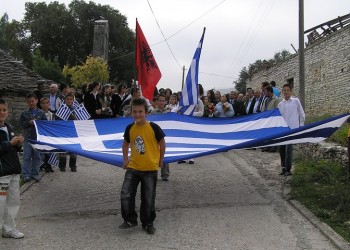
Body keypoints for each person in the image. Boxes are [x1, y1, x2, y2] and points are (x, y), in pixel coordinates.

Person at [119, 98, 166, 235]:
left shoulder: (154, 127)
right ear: (131, 112)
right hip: (133, 167)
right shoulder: (130, 128)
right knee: (126, 193)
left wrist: (161, 160)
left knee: (148, 197)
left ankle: (148, 223)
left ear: (146, 112)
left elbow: (162, 143)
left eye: (140, 111)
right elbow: (125, 143)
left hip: (150, 168)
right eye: (134, 111)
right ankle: (130, 219)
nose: (137, 114)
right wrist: (125, 159)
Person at [0, 98, 25, 239]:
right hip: (2, 173)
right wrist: (10, 143)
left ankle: (9, 229)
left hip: (14, 171)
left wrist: (18, 144)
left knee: (14, 201)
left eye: (4, 110)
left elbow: (14, 149)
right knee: (1, 202)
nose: (2, 113)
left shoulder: (9, 128)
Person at [278, 84, 305, 176]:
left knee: (289, 149)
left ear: (291, 91)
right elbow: (278, 117)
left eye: (287, 90)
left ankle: (288, 169)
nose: (286, 92)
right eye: (284, 90)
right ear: (282, 92)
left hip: (292, 129)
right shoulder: (280, 104)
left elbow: (302, 114)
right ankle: (283, 168)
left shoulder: (296, 101)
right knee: (281, 149)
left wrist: (301, 126)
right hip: (282, 130)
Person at [20, 93, 47, 182]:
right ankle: (26, 175)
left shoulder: (41, 113)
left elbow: (45, 125)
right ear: (27, 103)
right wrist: (29, 122)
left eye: (32, 101)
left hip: (37, 139)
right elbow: (21, 125)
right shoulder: (24, 114)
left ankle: (35, 173)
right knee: (26, 157)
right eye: (29, 102)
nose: (31, 103)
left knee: (37, 157)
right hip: (27, 138)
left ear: (36, 101)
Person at [55, 92, 78, 172]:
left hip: (72, 132)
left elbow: (80, 120)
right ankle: (62, 166)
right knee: (63, 149)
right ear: (65, 100)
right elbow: (57, 119)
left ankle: (73, 165)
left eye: (70, 99)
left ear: (73, 100)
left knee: (73, 150)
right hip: (63, 131)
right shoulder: (61, 109)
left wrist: (75, 117)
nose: (69, 100)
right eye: (67, 99)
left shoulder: (76, 109)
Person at [151, 94, 170, 181]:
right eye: (160, 100)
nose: (162, 102)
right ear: (157, 101)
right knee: (154, 153)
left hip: (165, 135)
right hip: (156, 135)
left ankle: (165, 173)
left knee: (164, 153)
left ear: (165, 102)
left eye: (163, 101)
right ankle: (153, 172)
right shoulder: (153, 112)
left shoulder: (168, 112)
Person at [39, 97, 54, 173]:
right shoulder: (39, 113)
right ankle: (44, 164)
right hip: (42, 135)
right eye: (43, 103)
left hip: (49, 135)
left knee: (49, 150)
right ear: (41, 105)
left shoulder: (51, 114)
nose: (45, 105)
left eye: (46, 103)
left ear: (49, 104)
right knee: (43, 150)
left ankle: (49, 164)